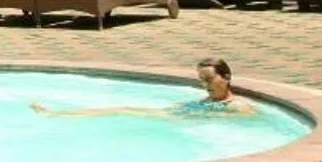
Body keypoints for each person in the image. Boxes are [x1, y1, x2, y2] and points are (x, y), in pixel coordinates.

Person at [33, 58, 251, 118]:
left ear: (227, 77)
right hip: (176, 116)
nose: (204, 86)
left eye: (209, 79)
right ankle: (57, 114)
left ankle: (56, 115)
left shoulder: (237, 107)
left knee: (122, 111)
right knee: (121, 109)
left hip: (178, 120)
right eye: (201, 80)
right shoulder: (208, 102)